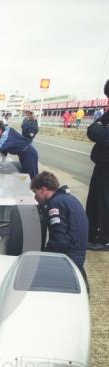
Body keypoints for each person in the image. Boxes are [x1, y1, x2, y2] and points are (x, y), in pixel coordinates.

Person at [30, 171, 88, 275]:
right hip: (78, 254)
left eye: (35, 192)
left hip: (70, 259)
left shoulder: (55, 204)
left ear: (43, 190)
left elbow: (59, 241)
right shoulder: (68, 198)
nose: (35, 197)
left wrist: (43, 257)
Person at [86, 79, 109, 251]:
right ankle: (91, 233)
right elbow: (91, 130)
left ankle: (104, 239)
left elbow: (105, 137)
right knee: (93, 201)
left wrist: (101, 130)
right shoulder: (107, 114)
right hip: (100, 166)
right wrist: (100, 128)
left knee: (105, 203)